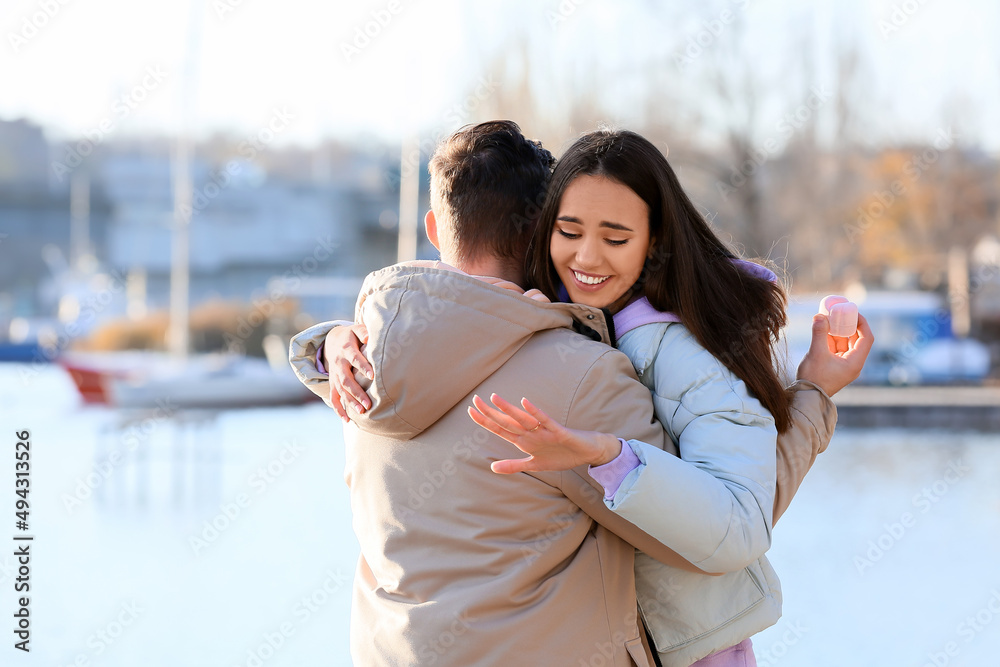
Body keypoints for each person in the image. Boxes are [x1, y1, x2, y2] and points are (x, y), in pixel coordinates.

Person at [288, 121, 867, 666]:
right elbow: (724, 528)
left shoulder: (362, 366)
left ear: (435, 228)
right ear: (543, 230)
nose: (588, 254)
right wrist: (813, 397)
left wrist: (325, 343)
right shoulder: (581, 375)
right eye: (572, 230)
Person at [466, 128, 874, 666]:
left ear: (653, 243)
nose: (587, 257)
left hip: (689, 653)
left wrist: (609, 459)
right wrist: (330, 345)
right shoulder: (554, 322)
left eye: (615, 239)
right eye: (569, 231)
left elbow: (742, 521)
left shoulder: (680, 352)